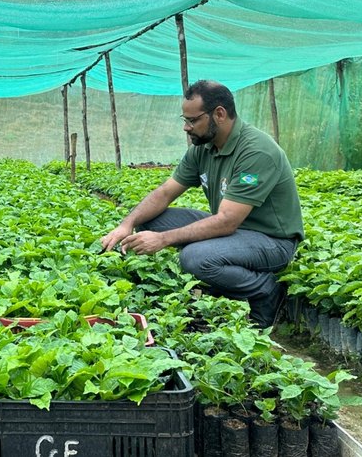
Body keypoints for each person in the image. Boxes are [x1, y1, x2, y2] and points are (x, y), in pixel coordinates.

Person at [99, 80, 303, 328]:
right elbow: (165, 192)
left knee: (194, 258)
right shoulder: (203, 147)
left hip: (271, 241)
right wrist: (127, 224)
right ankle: (221, 280)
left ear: (219, 114)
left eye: (193, 120)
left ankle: (265, 289)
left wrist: (163, 240)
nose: (186, 127)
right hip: (236, 232)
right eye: (184, 120)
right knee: (150, 221)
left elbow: (227, 221)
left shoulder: (256, 151)